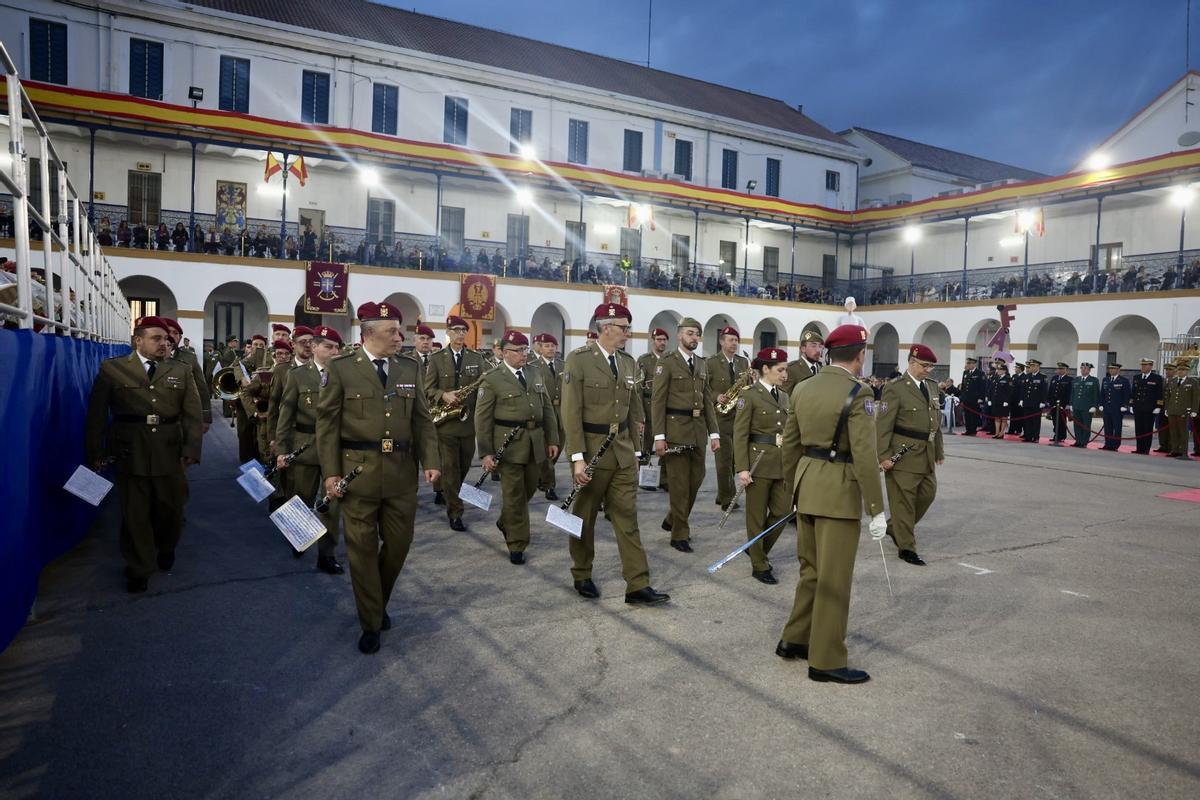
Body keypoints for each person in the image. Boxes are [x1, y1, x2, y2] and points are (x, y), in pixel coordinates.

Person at [316, 301, 440, 654]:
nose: (400, 338)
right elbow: (327, 425)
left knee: (399, 544)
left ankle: (376, 600)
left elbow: (422, 420)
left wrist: (431, 460)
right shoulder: (342, 368)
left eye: (400, 331)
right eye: (392, 332)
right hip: (358, 475)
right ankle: (370, 621)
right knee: (362, 550)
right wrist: (331, 473)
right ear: (369, 333)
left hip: (401, 474)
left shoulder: (409, 367)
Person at [776, 323, 885, 684]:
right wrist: (876, 508)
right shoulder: (859, 391)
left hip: (807, 485)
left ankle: (794, 639)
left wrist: (793, 490)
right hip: (838, 492)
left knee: (811, 571)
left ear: (828, 353)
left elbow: (790, 446)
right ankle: (826, 659)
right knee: (834, 579)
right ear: (860, 355)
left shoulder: (803, 388)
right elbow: (865, 456)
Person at [84, 316, 202, 593]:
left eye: (166, 339)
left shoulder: (181, 370)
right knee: (135, 514)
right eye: (156, 338)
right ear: (138, 340)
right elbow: (96, 415)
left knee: (170, 510)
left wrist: (191, 449)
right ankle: (139, 567)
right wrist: (95, 451)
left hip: (169, 451)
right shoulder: (113, 369)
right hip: (130, 451)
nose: (163, 343)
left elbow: (192, 414)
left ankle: (166, 546)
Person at [560, 302, 667, 604]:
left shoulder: (628, 362)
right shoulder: (579, 360)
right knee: (585, 517)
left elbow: (634, 410)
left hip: (622, 451)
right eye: (623, 328)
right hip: (592, 452)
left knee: (627, 517)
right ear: (606, 328)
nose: (627, 333)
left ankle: (637, 584)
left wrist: (637, 451)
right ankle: (582, 572)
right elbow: (570, 412)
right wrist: (577, 458)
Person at [475, 330, 559, 563]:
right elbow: (482, 419)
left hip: (535, 443)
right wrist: (486, 452)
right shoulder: (492, 379)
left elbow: (547, 408)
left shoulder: (534, 371)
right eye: (518, 350)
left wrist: (552, 439)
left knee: (529, 489)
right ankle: (517, 543)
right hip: (508, 446)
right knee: (514, 496)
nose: (524, 354)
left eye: (525, 350)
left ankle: (506, 521)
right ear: (504, 353)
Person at [275, 325, 345, 575]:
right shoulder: (297, 375)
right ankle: (299, 537)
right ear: (314, 347)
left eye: (337, 347)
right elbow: (286, 414)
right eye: (328, 347)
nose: (334, 352)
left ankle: (327, 554)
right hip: (306, 445)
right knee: (301, 497)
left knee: (331, 504)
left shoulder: (345, 375)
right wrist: (282, 449)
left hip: (335, 448)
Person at [650, 316, 720, 553]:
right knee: (679, 486)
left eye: (697, 334)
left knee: (696, 480)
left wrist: (714, 433)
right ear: (679, 335)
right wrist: (659, 436)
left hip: (698, 431)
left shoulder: (701, 364)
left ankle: (673, 518)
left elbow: (707, 400)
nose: (694, 338)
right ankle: (679, 533)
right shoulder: (667, 362)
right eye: (690, 333)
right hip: (675, 431)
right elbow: (658, 401)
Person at [876, 344, 944, 566]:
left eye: (931, 366)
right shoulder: (895, 388)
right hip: (902, 454)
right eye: (925, 366)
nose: (928, 370)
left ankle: (894, 527)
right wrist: (883, 456)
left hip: (926, 452)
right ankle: (907, 547)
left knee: (928, 494)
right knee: (903, 502)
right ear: (912, 362)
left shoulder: (932, 387)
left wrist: (939, 450)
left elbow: (935, 422)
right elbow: (883, 425)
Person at [732, 347, 791, 584]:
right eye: (781, 370)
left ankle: (756, 548)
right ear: (765, 369)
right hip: (757, 463)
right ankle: (759, 564)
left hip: (781, 462)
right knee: (756, 517)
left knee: (783, 512)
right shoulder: (749, 395)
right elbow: (740, 434)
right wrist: (742, 468)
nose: (785, 374)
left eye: (786, 370)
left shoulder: (784, 396)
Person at [423, 315, 486, 531]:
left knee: (463, 466)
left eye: (463, 330)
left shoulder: (476, 358)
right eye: (456, 330)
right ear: (448, 333)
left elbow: (483, 386)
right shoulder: (436, 358)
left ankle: (449, 492)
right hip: (446, 424)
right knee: (450, 468)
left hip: (467, 424)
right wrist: (443, 395)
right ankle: (455, 511)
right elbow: (428, 389)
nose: (460, 334)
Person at [706, 326, 750, 511]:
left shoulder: (743, 362)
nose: (734, 343)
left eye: (736, 340)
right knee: (723, 460)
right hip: (720, 417)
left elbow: (748, 386)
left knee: (734, 460)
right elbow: (704, 388)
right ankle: (727, 498)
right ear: (722, 342)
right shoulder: (711, 363)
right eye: (730, 340)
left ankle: (722, 493)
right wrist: (716, 396)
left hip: (739, 416)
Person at [160, 318, 212, 431]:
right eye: (169, 331)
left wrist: (205, 417)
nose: (172, 335)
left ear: (180, 338)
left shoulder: (189, 358)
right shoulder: (152, 356)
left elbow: (201, 388)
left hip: (182, 418)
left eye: (176, 333)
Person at [635, 327, 670, 491]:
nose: (662, 342)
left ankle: (664, 478)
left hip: (666, 407)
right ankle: (646, 479)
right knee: (646, 444)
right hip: (648, 406)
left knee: (666, 444)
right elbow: (638, 389)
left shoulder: (670, 359)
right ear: (653, 341)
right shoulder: (644, 360)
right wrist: (640, 415)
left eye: (664, 340)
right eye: (659, 340)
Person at [531, 333, 565, 501]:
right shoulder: (533, 367)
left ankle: (541, 476)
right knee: (547, 450)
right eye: (546, 346)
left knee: (558, 448)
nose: (550, 349)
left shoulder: (563, 365)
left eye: (553, 346)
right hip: (545, 412)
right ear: (540, 348)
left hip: (562, 412)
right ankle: (549, 485)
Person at [1163, 359, 1199, 459]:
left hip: (1184, 411)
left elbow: (1196, 397)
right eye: (1179, 370)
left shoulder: (1193, 382)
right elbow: (1168, 396)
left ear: (1187, 371)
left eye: (1183, 370)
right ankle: (1175, 450)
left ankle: (1183, 452)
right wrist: (1167, 408)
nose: (1180, 372)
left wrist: (1194, 410)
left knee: (1183, 432)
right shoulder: (1173, 381)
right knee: (1173, 432)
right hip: (1172, 410)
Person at [1130, 358, 1165, 455]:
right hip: (1138, 407)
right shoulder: (1137, 377)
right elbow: (1133, 392)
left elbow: (1159, 393)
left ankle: (1146, 449)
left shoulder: (1156, 378)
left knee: (1147, 429)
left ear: (1150, 366)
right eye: (1142, 365)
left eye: (1145, 365)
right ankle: (1139, 448)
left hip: (1150, 408)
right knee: (1138, 429)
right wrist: (1131, 404)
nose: (1143, 367)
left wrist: (1158, 406)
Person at [1100, 363, 1132, 451]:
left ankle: (1115, 445)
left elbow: (1127, 394)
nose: (1111, 370)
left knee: (1117, 427)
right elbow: (1102, 393)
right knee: (1107, 427)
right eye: (1110, 369)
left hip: (1117, 408)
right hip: (1107, 408)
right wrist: (1101, 404)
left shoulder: (1123, 380)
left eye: (1113, 369)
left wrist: (1125, 405)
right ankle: (1108, 444)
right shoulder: (1105, 379)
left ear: (1118, 370)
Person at [782, 329, 824, 397]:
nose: (818, 350)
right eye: (813, 346)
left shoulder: (822, 369)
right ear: (803, 349)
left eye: (820, 346)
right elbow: (784, 397)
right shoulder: (791, 369)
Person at [1069, 362, 1100, 447]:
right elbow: (1072, 393)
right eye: (1082, 368)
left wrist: (1094, 406)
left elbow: (1096, 394)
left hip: (1087, 407)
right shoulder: (1076, 380)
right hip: (1076, 406)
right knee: (1077, 425)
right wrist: (1071, 404)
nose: (1083, 370)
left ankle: (1084, 442)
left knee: (1086, 425)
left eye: (1085, 368)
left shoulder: (1094, 380)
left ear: (1089, 370)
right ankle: (1078, 441)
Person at [1047, 362, 1074, 444]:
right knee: (1055, 420)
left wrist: (1068, 404)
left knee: (1062, 421)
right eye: (1059, 369)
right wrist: (1048, 401)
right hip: (1054, 403)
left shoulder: (1069, 379)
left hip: (1063, 404)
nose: (1059, 370)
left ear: (1066, 370)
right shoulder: (1054, 378)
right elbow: (1051, 390)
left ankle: (1062, 436)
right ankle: (1056, 435)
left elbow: (1070, 393)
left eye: (1062, 369)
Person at [959, 356, 986, 435]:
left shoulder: (980, 373)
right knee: (967, 414)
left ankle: (973, 430)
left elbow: (983, 387)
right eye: (967, 363)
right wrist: (962, 396)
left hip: (975, 398)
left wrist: (981, 398)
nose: (967, 365)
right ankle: (968, 430)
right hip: (966, 398)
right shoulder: (965, 372)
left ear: (974, 364)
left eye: (969, 363)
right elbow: (963, 385)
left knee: (974, 415)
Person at [986, 361, 1012, 438]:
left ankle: (1001, 433)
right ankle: (997, 432)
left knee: (1003, 417)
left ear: (1004, 371)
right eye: (998, 369)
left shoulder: (1008, 379)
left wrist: (1006, 401)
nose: (998, 371)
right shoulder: (995, 378)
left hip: (1004, 402)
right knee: (996, 417)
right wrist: (989, 399)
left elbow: (1010, 391)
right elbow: (991, 390)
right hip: (995, 401)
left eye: (1000, 369)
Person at [1156, 363, 1177, 453]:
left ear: (1175, 371)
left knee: (1172, 428)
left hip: (1172, 408)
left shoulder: (1177, 381)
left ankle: (1171, 446)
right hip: (1162, 408)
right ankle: (1163, 445)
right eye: (1166, 370)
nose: (1167, 372)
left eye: (1170, 370)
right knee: (1162, 427)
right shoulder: (1163, 381)